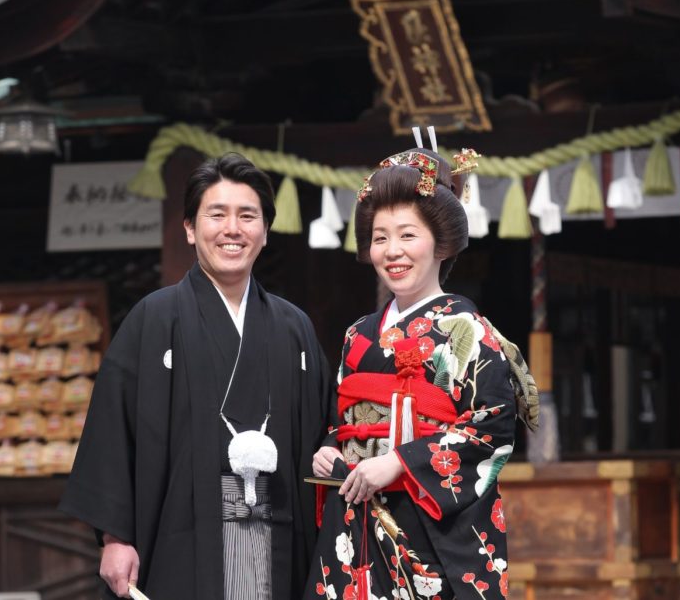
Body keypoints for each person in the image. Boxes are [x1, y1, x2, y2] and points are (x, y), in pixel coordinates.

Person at [60, 153, 332, 600]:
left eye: (248, 216)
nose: (233, 229)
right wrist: (115, 538)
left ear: (265, 231)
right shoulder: (154, 318)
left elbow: (325, 429)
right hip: (182, 533)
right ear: (189, 228)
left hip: (278, 530)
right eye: (216, 215)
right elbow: (113, 430)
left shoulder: (293, 327)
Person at [305, 147, 537, 600]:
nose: (392, 251)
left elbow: (490, 429)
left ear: (441, 243)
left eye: (407, 235)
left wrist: (398, 462)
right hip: (355, 517)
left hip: (427, 526)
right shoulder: (357, 334)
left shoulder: (466, 328)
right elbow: (344, 418)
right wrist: (331, 447)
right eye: (380, 238)